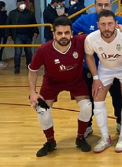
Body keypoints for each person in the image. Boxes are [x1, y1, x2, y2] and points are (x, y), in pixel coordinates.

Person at [28, 16, 92, 157]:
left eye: (67, 33)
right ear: (54, 34)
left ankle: (80, 138)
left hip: (76, 81)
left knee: (87, 107)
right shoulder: (43, 49)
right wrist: (32, 92)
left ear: (72, 33)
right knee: (42, 111)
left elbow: (101, 34)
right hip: (52, 83)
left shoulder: (80, 41)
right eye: (60, 33)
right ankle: (50, 142)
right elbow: (33, 71)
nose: (63, 36)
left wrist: (120, 29)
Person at [72, 0, 122, 135]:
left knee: (118, 97)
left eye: (106, 5)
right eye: (100, 5)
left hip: (114, 67)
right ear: (94, 6)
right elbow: (71, 35)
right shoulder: (84, 20)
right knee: (90, 99)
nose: (103, 7)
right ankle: (87, 126)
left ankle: (121, 123)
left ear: (111, 6)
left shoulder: (119, 21)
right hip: (91, 69)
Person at [84, 10, 122, 153]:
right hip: (105, 69)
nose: (107, 28)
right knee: (97, 98)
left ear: (116, 24)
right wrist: (95, 78)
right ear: (98, 25)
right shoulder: (91, 38)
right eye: (103, 24)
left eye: (110, 24)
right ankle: (105, 137)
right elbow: (89, 56)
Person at [6, 0, 38, 74]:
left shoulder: (30, 13)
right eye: (20, 3)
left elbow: (34, 23)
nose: (22, 4)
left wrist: (36, 31)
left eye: (24, 3)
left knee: (28, 51)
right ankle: (17, 67)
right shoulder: (12, 13)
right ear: (17, 4)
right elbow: (8, 24)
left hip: (28, 34)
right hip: (17, 35)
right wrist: (8, 35)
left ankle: (29, 65)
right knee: (18, 52)